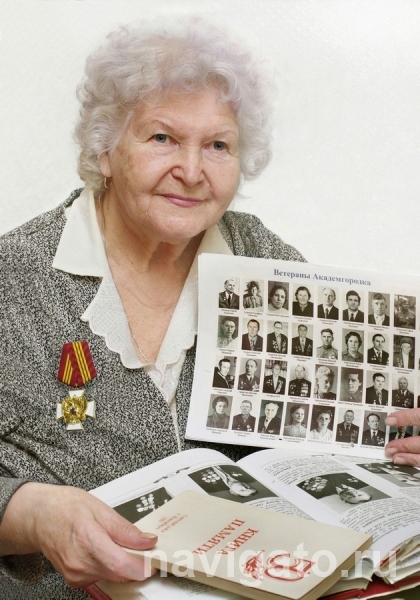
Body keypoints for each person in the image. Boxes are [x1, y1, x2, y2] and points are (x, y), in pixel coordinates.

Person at [0, 18, 306, 598]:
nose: (191, 172)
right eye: (162, 138)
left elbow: (330, 417)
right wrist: (31, 512)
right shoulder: (13, 279)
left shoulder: (264, 260)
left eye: (217, 145)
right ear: (105, 150)